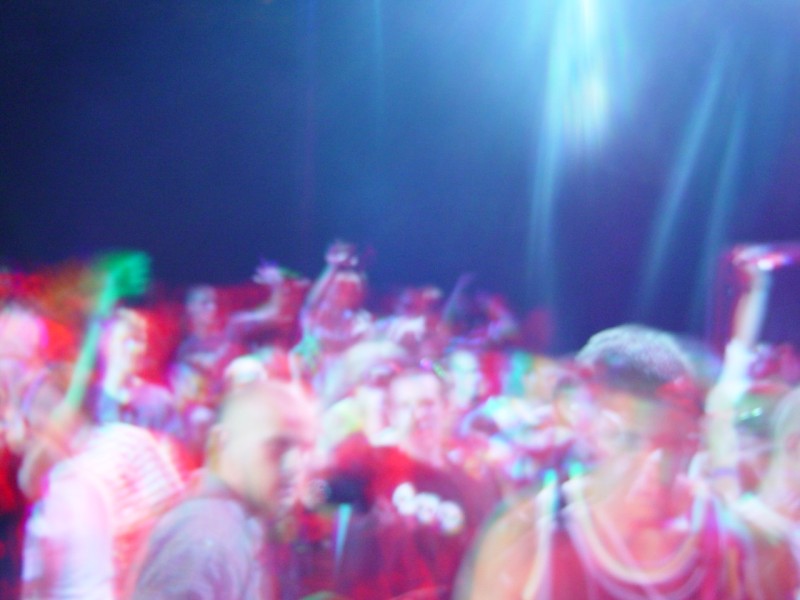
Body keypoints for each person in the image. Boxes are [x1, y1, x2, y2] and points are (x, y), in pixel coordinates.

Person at [456, 324, 751, 600]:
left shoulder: (722, 540)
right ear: (592, 433)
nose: (655, 466)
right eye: (630, 441)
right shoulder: (530, 537)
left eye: (672, 444)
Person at [131, 379, 317, 600]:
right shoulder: (206, 538)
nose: (294, 467)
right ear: (222, 442)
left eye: (304, 449)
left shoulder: (235, 524)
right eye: (277, 446)